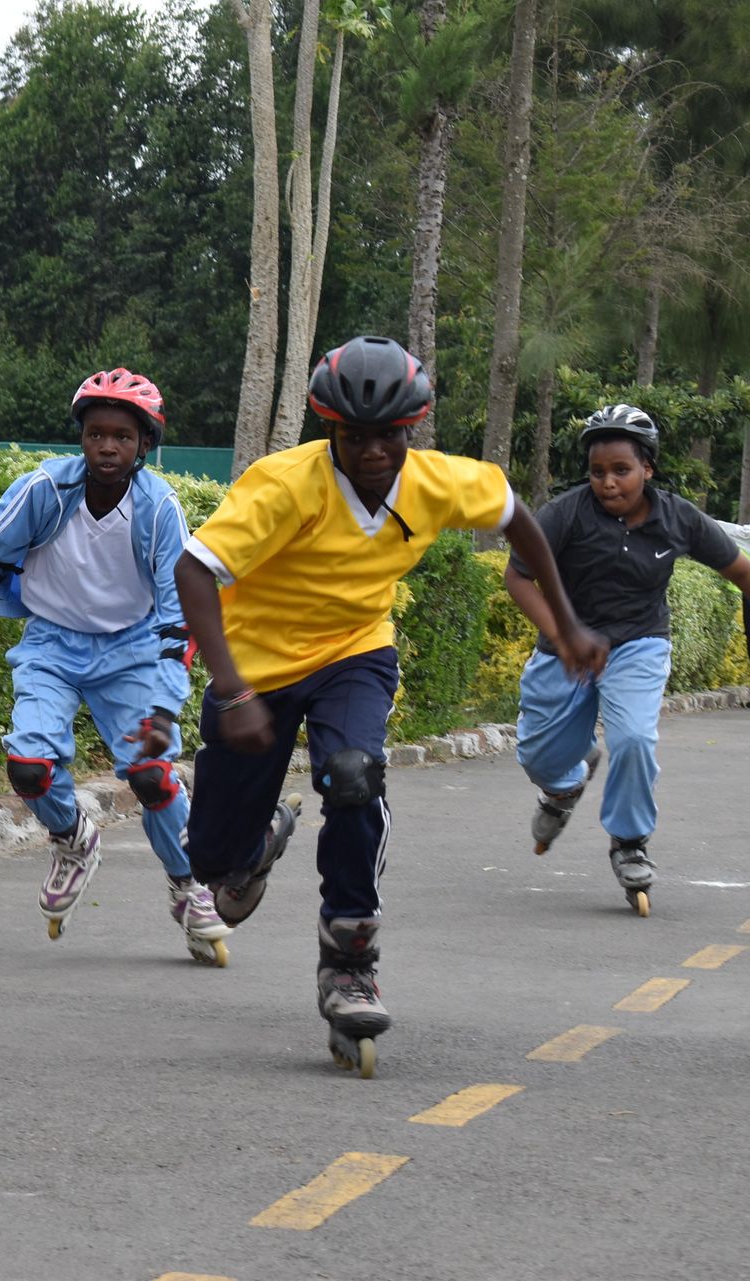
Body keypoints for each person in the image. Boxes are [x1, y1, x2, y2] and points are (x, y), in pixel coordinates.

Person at [173, 335, 606, 1077]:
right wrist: (233, 689)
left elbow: (518, 519)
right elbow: (193, 570)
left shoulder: (439, 482)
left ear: (414, 428)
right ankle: (255, 847)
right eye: (355, 436)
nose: (374, 452)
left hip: (354, 653)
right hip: (256, 666)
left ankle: (350, 961)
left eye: (390, 436)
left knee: (353, 774)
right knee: (212, 860)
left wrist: (564, 625)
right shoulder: (284, 485)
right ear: (329, 429)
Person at [0, 370, 229, 963]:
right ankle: (73, 839)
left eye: (122, 437)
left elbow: (177, 616)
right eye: (96, 434)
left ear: (145, 444)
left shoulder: (159, 509)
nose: (107, 447)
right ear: (81, 438)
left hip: (131, 649)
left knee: (151, 775)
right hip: (51, 645)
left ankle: (189, 887)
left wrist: (162, 707)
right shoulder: (45, 491)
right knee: (29, 768)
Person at [506, 404, 750, 916]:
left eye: (622, 470)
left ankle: (630, 841)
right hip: (565, 646)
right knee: (538, 756)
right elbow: (518, 576)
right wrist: (564, 635)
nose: (608, 482)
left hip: (639, 643)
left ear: (648, 469)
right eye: (598, 472)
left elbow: (742, 573)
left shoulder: (679, 518)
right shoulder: (566, 514)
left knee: (635, 738)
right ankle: (563, 788)